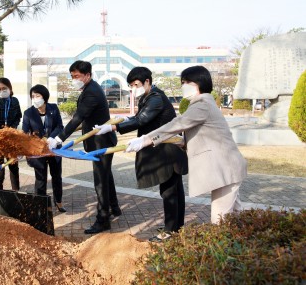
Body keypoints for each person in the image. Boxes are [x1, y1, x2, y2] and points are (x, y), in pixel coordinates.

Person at [126, 66, 247, 224]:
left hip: (225, 170)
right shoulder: (203, 103)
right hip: (227, 169)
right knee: (238, 214)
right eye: (182, 82)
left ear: (199, 83)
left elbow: (177, 124)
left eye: (187, 82)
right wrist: (181, 141)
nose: (183, 86)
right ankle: (262, 235)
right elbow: (202, 135)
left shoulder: (202, 104)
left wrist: (145, 140)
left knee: (219, 220)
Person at [94, 67, 188, 242]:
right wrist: (117, 122)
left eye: (136, 84)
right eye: (130, 86)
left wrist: (112, 127)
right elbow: (138, 117)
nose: (133, 88)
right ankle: (176, 227)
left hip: (168, 152)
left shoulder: (156, 98)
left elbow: (141, 120)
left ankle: (170, 231)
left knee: (170, 192)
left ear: (147, 82)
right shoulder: (148, 97)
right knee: (174, 191)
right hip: (164, 150)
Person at [47, 60, 120, 234]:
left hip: (101, 142)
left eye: (77, 76)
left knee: (100, 181)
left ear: (88, 75)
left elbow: (78, 118)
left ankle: (103, 219)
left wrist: (58, 138)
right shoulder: (89, 89)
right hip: (99, 140)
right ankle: (114, 208)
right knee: (106, 176)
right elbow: (82, 119)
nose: (74, 79)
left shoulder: (92, 92)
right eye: (72, 76)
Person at [22, 84, 66, 212]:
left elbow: (59, 126)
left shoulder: (53, 108)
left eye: (37, 96)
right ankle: (41, 204)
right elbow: (25, 132)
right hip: (38, 151)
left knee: (57, 176)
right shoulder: (28, 113)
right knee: (40, 178)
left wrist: (51, 138)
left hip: (54, 148)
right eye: (33, 96)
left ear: (44, 97)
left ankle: (58, 201)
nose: (35, 98)